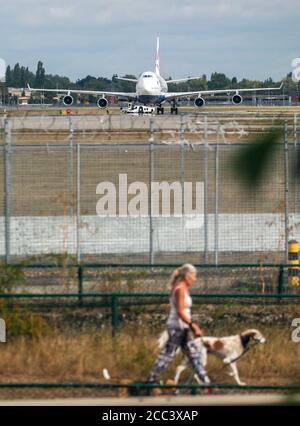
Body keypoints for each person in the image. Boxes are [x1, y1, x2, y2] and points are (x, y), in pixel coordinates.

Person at [147, 263, 210, 384]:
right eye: (194, 276)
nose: (195, 279)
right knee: (168, 355)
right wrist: (193, 325)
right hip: (177, 327)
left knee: (192, 354)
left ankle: (206, 383)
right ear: (187, 276)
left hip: (183, 327)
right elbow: (181, 311)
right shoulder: (180, 289)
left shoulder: (182, 288)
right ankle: (151, 380)